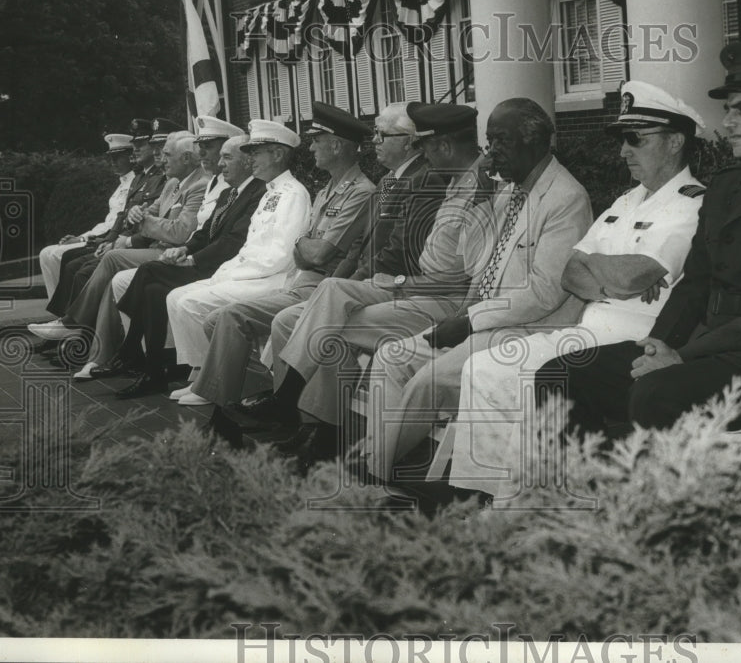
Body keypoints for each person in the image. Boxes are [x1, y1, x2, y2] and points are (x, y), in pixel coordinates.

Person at [534, 42, 741, 434]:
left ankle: (660, 493)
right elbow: (696, 282)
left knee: (655, 394)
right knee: (563, 375)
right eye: (728, 110)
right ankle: (591, 492)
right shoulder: (727, 186)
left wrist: (684, 355)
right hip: (705, 351)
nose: (728, 122)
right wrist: (657, 345)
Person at [447, 81, 707, 500]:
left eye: (635, 139)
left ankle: (525, 505)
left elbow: (633, 276)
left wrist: (604, 271)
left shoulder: (691, 204)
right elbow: (570, 272)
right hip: (586, 330)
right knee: (484, 368)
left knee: (528, 376)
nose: (624, 150)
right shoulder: (626, 202)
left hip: (629, 341)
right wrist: (614, 275)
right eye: (623, 139)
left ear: (675, 141)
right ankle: (487, 494)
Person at [218, 101, 496, 450]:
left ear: (442, 145)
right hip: (409, 289)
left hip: (433, 298)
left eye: (422, 144)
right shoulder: (453, 184)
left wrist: (393, 282)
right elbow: (363, 249)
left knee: (325, 324)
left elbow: (458, 278)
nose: (421, 152)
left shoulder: (473, 191)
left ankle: (304, 423)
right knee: (331, 293)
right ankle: (302, 422)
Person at [358, 97, 593, 483]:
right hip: (481, 319)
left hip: (527, 328)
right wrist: (481, 201)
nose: (492, 152)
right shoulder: (506, 191)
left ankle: (375, 476)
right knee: (391, 357)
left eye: (501, 141)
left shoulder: (566, 199)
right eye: (489, 141)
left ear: (534, 142)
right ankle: (383, 460)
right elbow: (473, 262)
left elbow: (544, 293)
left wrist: (469, 321)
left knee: (427, 382)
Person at [164, 105, 374, 405]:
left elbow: (314, 253)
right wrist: (305, 248)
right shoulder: (327, 189)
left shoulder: (347, 191)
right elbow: (303, 251)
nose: (311, 146)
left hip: (314, 285)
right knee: (212, 317)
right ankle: (223, 384)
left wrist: (304, 248)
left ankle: (241, 396)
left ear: (337, 145)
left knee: (230, 317)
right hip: (302, 280)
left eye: (316, 140)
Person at [96, 134, 266, 397]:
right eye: (220, 157)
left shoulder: (257, 193)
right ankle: (153, 373)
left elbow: (233, 242)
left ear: (246, 162)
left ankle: (129, 349)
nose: (220, 164)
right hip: (207, 262)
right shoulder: (229, 194)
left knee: (149, 270)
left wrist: (193, 259)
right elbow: (205, 232)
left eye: (227, 157)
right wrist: (184, 248)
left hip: (221, 268)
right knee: (152, 292)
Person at [27, 131, 211, 343]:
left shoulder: (199, 184)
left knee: (111, 259)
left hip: (172, 252)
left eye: (167, 154)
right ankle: (82, 333)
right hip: (156, 246)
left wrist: (143, 222)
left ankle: (73, 325)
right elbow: (149, 210)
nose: (162, 159)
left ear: (186, 158)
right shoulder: (172, 183)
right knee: (97, 264)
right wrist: (136, 214)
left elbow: (180, 232)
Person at [32, 118, 165, 331]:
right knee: (69, 262)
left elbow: (152, 222)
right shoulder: (142, 178)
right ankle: (68, 326)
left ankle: (73, 329)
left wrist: (112, 240)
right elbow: (121, 216)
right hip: (121, 239)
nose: (136, 148)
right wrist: (109, 239)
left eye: (143, 144)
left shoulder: (159, 178)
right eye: (136, 144)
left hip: (143, 244)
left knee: (78, 267)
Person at [37, 132, 136, 300]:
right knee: (46, 253)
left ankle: (68, 313)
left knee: (56, 255)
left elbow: (115, 225)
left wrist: (84, 240)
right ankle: (57, 310)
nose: (113, 162)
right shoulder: (120, 186)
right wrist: (81, 237)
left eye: (118, 157)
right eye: (111, 157)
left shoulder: (136, 183)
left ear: (130, 157)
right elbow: (107, 222)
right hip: (100, 236)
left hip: (110, 239)